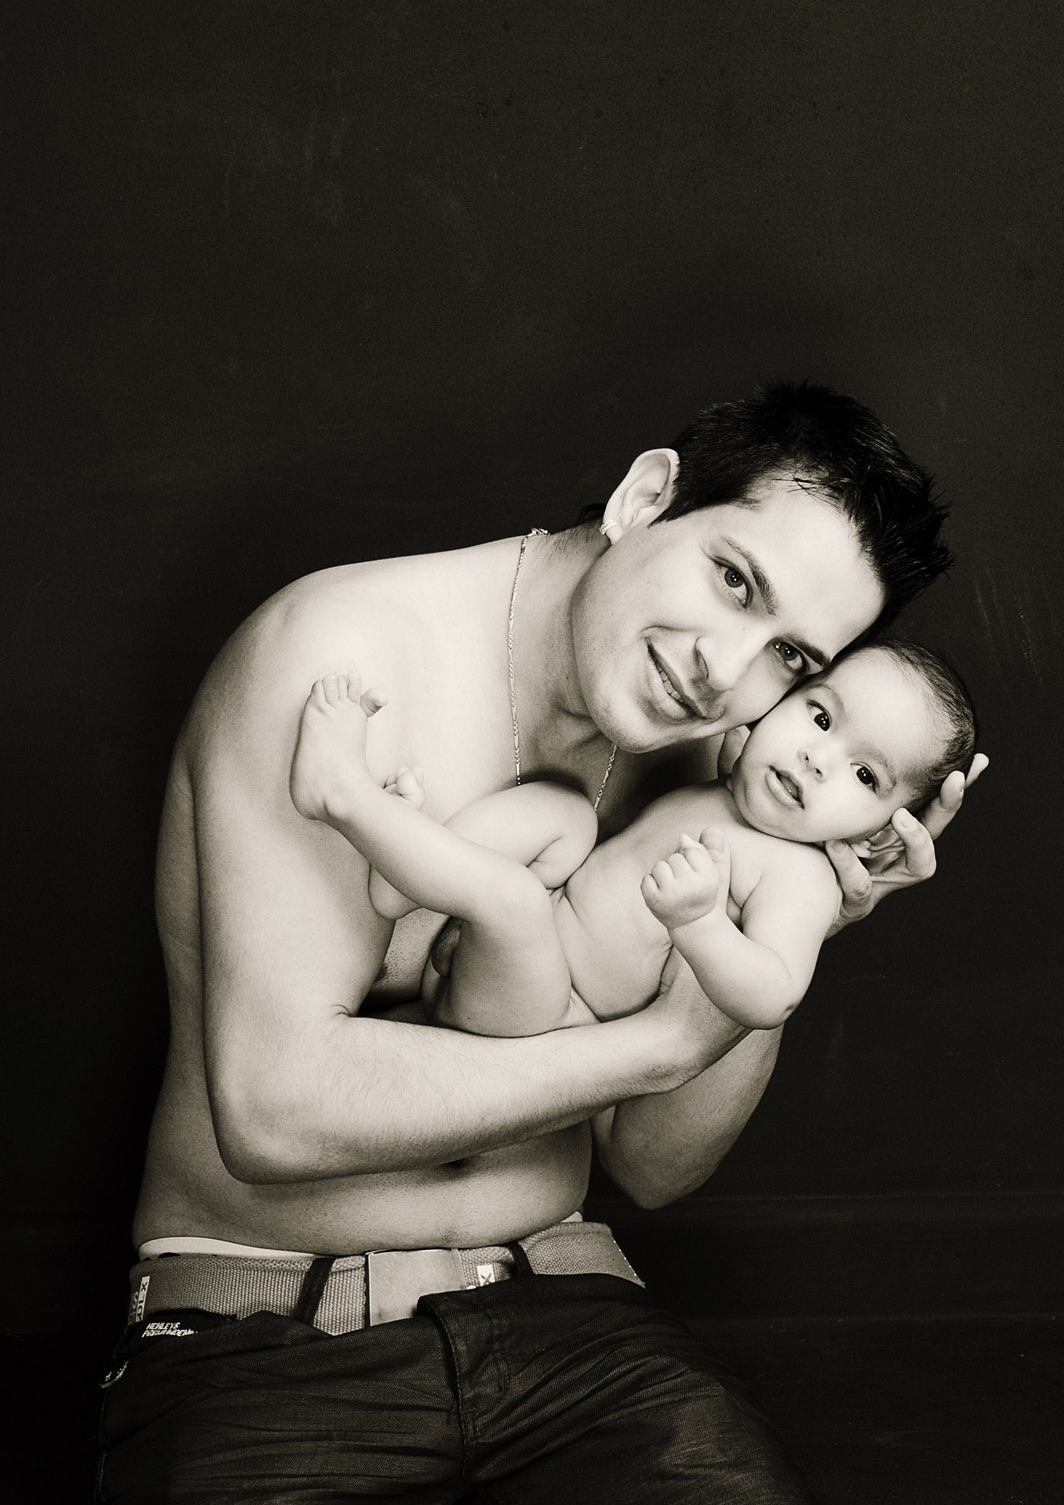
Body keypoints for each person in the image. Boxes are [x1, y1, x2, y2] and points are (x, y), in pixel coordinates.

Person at [98, 383, 986, 1503]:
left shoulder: (718, 761)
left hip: (568, 1314)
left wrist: (799, 893)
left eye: (791, 662)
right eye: (730, 578)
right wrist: (653, 1047)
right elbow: (274, 1109)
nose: (722, 670)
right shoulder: (345, 655)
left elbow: (655, 1167)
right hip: (272, 1329)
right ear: (645, 496)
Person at [289, 639, 978, 1037]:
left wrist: (704, 924)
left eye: (864, 774)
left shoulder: (802, 878)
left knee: (515, 903)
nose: (817, 760)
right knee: (565, 817)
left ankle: (342, 796)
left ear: (885, 829)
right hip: (496, 961)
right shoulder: (726, 778)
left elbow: (774, 993)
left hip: (545, 1017)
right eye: (821, 718)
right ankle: (406, 863)